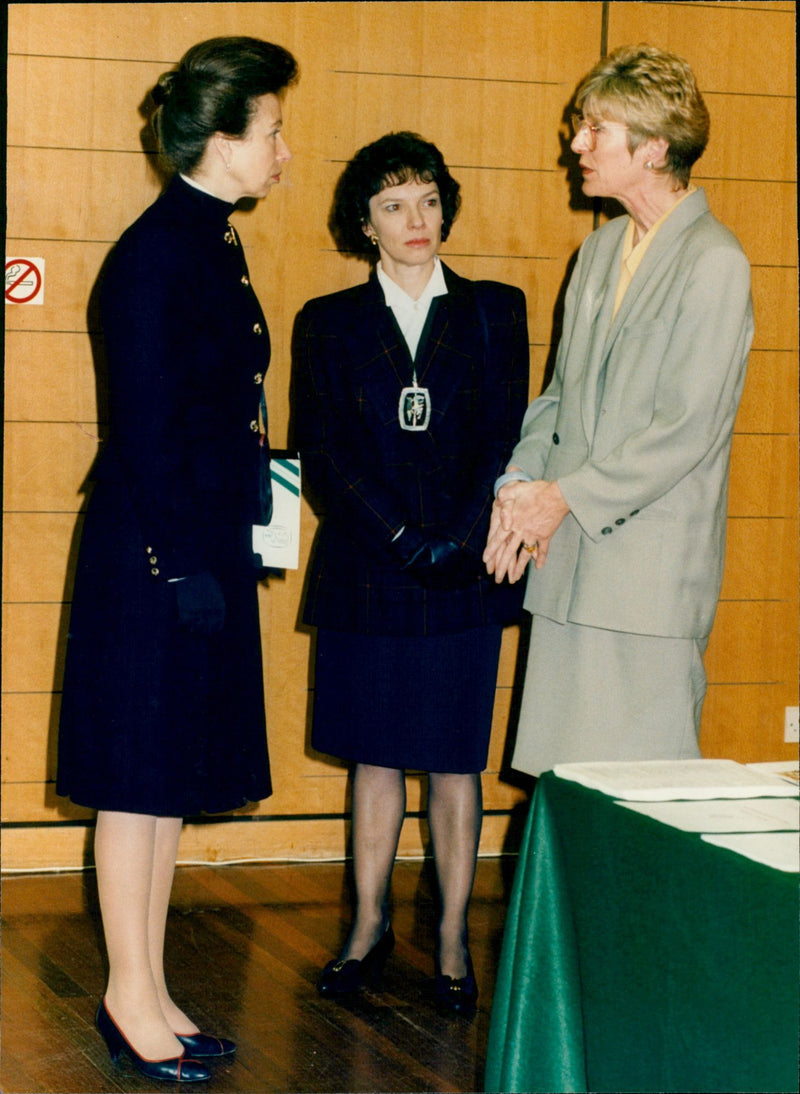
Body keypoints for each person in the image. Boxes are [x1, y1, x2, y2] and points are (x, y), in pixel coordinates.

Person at [56, 36, 298, 1082]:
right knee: (135, 781)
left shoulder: (212, 242)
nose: (284, 149)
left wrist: (255, 512)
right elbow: (146, 429)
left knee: (165, 784)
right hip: (151, 550)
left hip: (194, 541)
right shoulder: (157, 252)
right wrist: (174, 562)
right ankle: (125, 991)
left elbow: (222, 415)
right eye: (273, 128)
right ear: (218, 137)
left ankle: (146, 986)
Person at [293, 132, 529, 1013]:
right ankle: (366, 928)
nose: (415, 220)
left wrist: (461, 537)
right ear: (365, 224)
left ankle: (453, 938)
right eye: (393, 205)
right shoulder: (327, 322)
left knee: (455, 762)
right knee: (377, 760)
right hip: (369, 566)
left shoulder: (495, 310)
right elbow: (324, 455)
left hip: (465, 569)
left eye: (427, 200)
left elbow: (508, 437)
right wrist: (400, 538)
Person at [484, 44, 753, 777]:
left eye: (595, 130)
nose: (576, 145)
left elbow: (684, 431)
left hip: (646, 585)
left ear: (655, 148)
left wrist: (560, 498)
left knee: (639, 809)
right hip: (568, 569)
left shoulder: (714, 262)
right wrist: (518, 485)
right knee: (565, 796)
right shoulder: (599, 251)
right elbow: (559, 397)